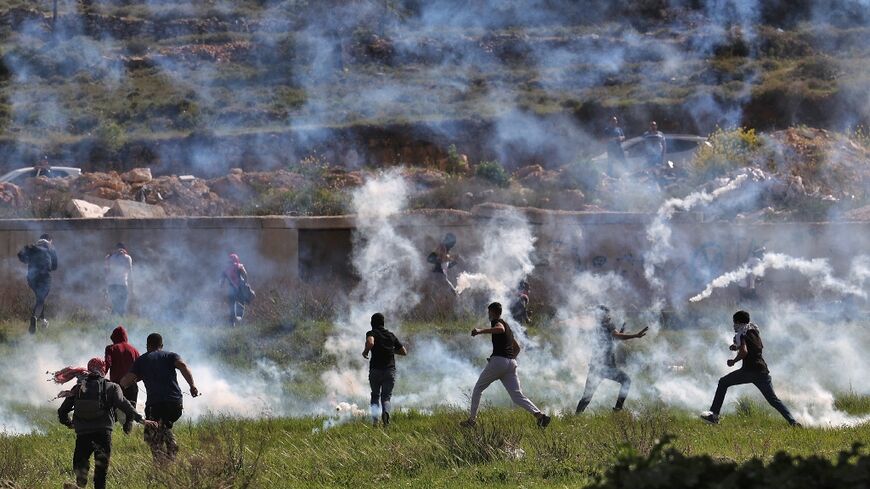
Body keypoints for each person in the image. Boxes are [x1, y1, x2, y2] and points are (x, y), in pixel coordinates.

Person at [58, 358, 157, 489]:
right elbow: (125, 406)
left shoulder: (78, 388)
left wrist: (70, 424)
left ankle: (80, 486)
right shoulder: (112, 387)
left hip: (83, 434)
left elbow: (62, 411)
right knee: (101, 471)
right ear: (103, 369)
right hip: (103, 433)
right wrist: (142, 420)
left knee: (80, 464)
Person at [700, 310, 800, 426]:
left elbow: (744, 351)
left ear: (738, 322)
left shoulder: (741, 334)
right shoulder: (753, 331)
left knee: (723, 382)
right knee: (773, 400)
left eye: (734, 323)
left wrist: (734, 361)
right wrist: (736, 347)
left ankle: (714, 415)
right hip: (762, 371)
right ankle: (793, 422)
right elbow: (750, 346)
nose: (733, 325)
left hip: (749, 371)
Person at [460, 302, 551, 428]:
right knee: (517, 396)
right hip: (511, 363)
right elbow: (517, 348)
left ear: (493, 312)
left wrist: (480, 331)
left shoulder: (497, 323)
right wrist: (508, 359)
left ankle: (472, 420)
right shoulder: (508, 328)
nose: (488, 315)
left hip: (499, 362)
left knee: (478, 388)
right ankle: (540, 416)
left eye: (489, 312)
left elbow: (499, 329)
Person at [120, 333, 199, 463]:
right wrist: (192, 386)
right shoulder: (170, 356)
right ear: (161, 345)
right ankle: (169, 453)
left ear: (147, 346)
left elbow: (125, 380)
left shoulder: (142, 360)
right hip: (175, 403)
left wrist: (121, 386)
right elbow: (183, 366)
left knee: (151, 433)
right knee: (164, 424)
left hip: (155, 404)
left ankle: (160, 461)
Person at [575, 305, 648, 414]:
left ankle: (576, 417)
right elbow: (616, 336)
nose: (609, 316)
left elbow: (611, 342)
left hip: (596, 367)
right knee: (626, 381)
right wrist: (635, 335)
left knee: (587, 396)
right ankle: (617, 410)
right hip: (606, 367)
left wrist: (621, 332)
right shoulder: (608, 325)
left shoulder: (597, 327)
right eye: (607, 314)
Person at [362, 313, 407, 427]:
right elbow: (404, 352)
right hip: (389, 371)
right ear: (383, 323)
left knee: (375, 395)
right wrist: (391, 351)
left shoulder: (371, 333)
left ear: (372, 323)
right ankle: (386, 413)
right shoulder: (391, 335)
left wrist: (366, 351)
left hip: (375, 370)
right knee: (386, 397)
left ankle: (375, 421)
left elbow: (371, 342)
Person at [17, 233, 58, 333]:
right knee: (40, 299)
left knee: (40, 298)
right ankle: (34, 318)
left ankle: (42, 320)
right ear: (50, 240)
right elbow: (55, 266)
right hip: (44, 277)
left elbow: (20, 255)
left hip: (32, 278)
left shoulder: (32, 247)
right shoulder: (51, 248)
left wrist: (28, 261)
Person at [105, 325, 140, 434]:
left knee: (111, 409)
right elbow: (141, 368)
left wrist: (99, 377)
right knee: (130, 410)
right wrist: (134, 380)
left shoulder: (111, 348)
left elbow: (107, 364)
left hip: (116, 386)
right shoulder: (134, 350)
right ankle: (128, 432)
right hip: (131, 385)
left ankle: (107, 431)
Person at [220, 253, 248, 327]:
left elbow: (221, 280)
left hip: (231, 289)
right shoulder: (240, 266)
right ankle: (239, 318)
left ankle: (232, 323)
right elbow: (245, 275)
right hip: (240, 288)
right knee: (241, 303)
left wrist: (221, 285)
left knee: (231, 306)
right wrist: (245, 283)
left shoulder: (226, 269)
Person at [105, 243, 133, 316]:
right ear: (124, 249)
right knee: (122, 304)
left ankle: (113, 321)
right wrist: (131, 284)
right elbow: (129, 271)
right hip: (122, 284)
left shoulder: (109, 257)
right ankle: (120, 321)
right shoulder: (127, 257)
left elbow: (106, 271)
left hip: (111, 284)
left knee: (114, 304)